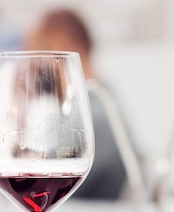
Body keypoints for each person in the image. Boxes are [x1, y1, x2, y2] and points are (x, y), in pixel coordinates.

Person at [23, 9, 145, 202]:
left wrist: (20, 108)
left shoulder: (95, 114)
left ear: (60, 45)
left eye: (35, 53)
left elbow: (42, 192)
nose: (30, 67)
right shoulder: (95, 101)